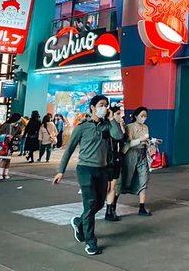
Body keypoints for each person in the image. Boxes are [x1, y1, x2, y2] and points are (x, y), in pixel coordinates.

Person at [53, 95, 124, 256]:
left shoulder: (107, 126)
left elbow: (118, 136)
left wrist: (112, 119)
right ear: (92, 107)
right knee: (90, 202)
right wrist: (60, 171)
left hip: (102, 170)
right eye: (101, 105)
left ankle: (79, 222)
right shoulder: (82, 127)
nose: (104, 108)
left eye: (106, 105)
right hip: (85, 170)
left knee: (99, 203)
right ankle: (90, 242)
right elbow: (69, 149)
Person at [118, 107, 154, 216]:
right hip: (130, 154)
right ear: (135, 116)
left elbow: (146, 141)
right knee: (125, 179)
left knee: (144, 179)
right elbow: (128, 143)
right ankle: (112, 203)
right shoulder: (130, 127)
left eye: (145, 116)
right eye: (142, 116)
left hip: (142, 154)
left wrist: (150, 145)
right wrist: (140, 140)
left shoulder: (145, 127)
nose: (144, 118)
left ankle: (142, 207)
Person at [104, 105, 125, 222]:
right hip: (103, 161)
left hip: (114, 160)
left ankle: (109, 210)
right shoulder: (104, 125)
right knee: (106, 187)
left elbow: (119, 136)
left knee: (113, 187)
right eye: (117, 113)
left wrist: (118, 124)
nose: (119, 116)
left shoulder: (116, 125)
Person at [0, 113, 23, 180]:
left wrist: (16, 138)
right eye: (20, 118)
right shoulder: (6, 125)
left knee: (8, 159)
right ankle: (0, 173)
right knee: (4, 159)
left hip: (11, 144)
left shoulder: (18, 127)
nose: (20, 120)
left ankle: (5, 173)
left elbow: (19, 134)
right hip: (4, 144)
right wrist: (6, 136)